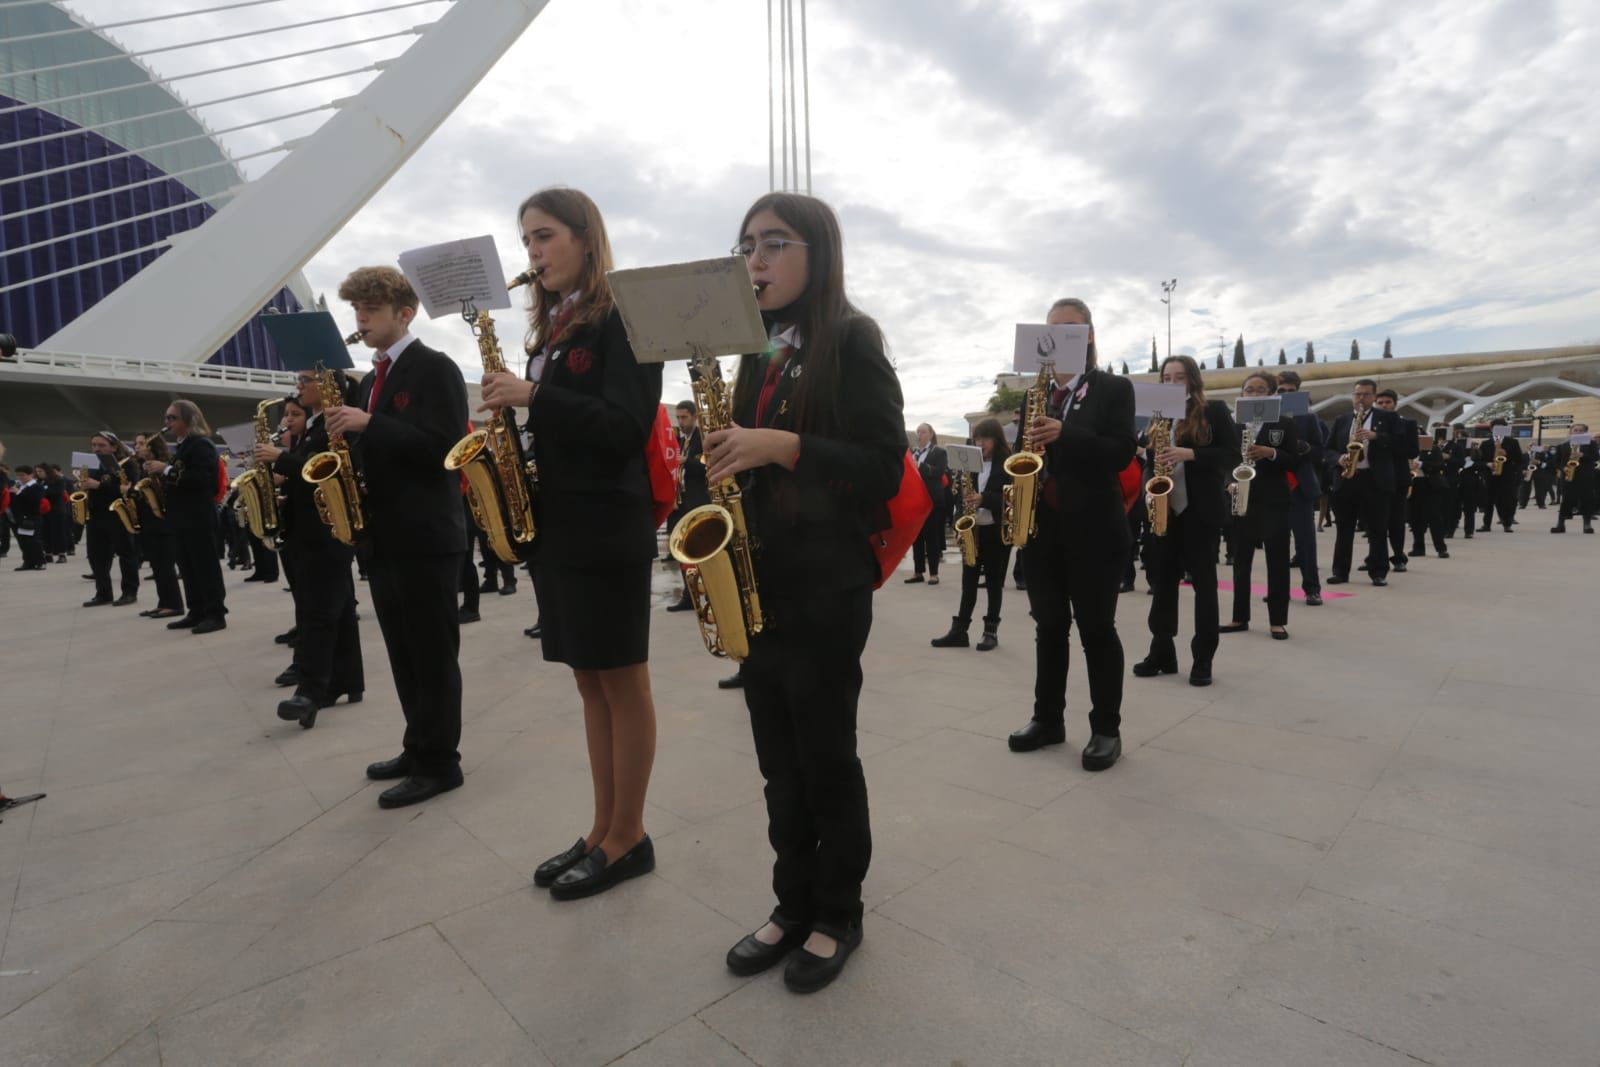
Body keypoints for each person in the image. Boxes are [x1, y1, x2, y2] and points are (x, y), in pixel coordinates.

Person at [700, 192, 904, 993]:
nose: (755, 260)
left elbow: (884, 466)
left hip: (826, 581)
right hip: (761, 580)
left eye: (774, 243)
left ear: (818, 252)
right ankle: (791, 902)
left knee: (824, 755)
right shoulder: (752, 351)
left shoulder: (854, 340)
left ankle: (838, 911)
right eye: (748, 244)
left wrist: (778, 445)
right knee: (776, 760)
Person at [478, 187, 664, 898]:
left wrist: (532, 399)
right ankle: (601, 826)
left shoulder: (626, 316)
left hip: (607, 523)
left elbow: (624, 425)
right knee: (589, 681)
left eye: (544, 236)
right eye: (526, 240)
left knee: (623, 680)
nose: (532, 253)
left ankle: (630, 834)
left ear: (587, 238)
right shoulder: (550, 329)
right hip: (561, 521)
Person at [326, 266, 470, 807]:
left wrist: (369, 426)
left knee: (432, 654)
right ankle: (418, 745)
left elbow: (445, 448)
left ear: (404, 314)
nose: (360, 320)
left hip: (427, 535)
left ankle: (441, 763)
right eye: (357, 310)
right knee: (402, 651)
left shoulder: (436, 368)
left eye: (370, 310)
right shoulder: (370, 380)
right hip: (385, 535)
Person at [1004, 299, 1136, 766]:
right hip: (1044, 531)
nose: (1059, 335)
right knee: (1049, 628)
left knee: (1097, 630)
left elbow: (1122, 452)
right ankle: (1048, 719)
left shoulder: (1114, 388)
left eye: (1070, 328)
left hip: (1096, 531)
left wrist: (1067, 433)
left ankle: (1106, 728)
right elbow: (1025, 457)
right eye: (1052, 328)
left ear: (1089, 336)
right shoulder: (1031, 394)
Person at [263, 387, 365, 728]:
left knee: (316, 613)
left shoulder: (332, 425)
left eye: (306, 379)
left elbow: (321, 468)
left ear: (325, 386)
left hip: (325, 530)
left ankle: (310, 691)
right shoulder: (314, 426)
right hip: (313, 529)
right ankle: (348, 681)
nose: (299, 384)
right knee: (338, 610)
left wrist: (279, 457)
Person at [1134, 355, 1236, 686]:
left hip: (1200, 510)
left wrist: (1190, 454)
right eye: (1167, 378)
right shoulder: (1156, 417)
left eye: (1179, 377)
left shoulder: (1214, 411)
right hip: (1164, 508)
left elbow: (1232, 455)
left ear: (1192, 380)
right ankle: (1162, 650)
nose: (1172, 383)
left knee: (1205, 585)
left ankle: (1203, 657)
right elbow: (1150, 459)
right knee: (1161, 583)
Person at [1221, 372, 1297, 640]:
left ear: (1272, 394)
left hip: (1274, 500)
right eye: (1249, 390)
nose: (1254, 394)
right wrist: (1229, 482)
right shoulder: (1233, 425)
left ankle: (1278, 620)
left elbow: (1295, 460)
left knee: (1277, 562)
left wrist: (1271, 453)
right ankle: (1239, 617)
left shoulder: (1284, 424)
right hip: (1242, 498)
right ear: (1241, 395)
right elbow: (1224, 460)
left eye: (1261, 389)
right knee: (1240, 561)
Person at [145, 400, 228, 632]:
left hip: (199, 516)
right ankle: (196, 611)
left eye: (172, 418)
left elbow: (202, 480)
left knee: (205, 567)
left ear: (189, 420)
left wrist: (166, 469)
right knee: (188, 567)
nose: (167, 422)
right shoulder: (182, 446)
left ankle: (215, 614)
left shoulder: (201, 445)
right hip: (182, 516)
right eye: (166, 417)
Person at [930, 417, 1011, 650]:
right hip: (972, 530)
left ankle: (990, 631)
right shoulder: (969, 463)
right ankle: (960, 630)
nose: (981, 443)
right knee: (969, 582)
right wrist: (958, 525)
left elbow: (1010, 497)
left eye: (985, 438)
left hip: (995, 531)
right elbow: (958, 498)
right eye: (977, 439)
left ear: (996, 439)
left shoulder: (1006, 462)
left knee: (994, 582)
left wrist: (984, 499)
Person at [1326, 379, 1400, 586]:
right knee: (1344, 528)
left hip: (1375, 480)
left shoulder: (1389, 418)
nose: (1361, 398)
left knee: (1377, 528)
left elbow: (1402, 445)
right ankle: (1340, 572)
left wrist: (1377, 436)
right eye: (1357, 394)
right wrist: (1338, 459)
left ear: (1374, 397)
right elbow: (1328, 449)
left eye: (1366, 394)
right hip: (1347, 478)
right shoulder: (1342, 420)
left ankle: (1378, 572)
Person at [1274, 370, 1326, 604]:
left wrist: (1303, 446)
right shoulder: (1265, 415)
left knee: (1305, 541)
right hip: (1273, 485)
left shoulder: (1308, 417)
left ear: (1298, 391)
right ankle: (1278, 590)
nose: (1285, 394)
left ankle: (1312, 589)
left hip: (1300, 487)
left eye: (1290, 391)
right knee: (1276, 542)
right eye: (1281, 390)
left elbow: (1320, 451)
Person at [80, 431, 141, 607]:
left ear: (114, 446)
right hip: (96, 513)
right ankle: (103, 593)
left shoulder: (127, 464)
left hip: (118, 513)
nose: (96, 449)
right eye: (94, 445)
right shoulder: (91, 464)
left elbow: (128, 490)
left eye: (101, 445)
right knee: (96, 556)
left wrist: (98, 485)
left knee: (126, 553)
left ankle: (129, 592)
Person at [132, 435, 185, 618]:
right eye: (136, 443)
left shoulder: (163, 464)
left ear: (152, 446)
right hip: (149, 521)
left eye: (141, 443)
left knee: (165, 565)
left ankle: (175, 605)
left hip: (164, 522)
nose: (136, 447)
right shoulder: (143, 467)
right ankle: (164, 602)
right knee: (157, 566)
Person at [666, 398, 709, 613]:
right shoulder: (683, 439)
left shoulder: (701, 439)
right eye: (678, 417)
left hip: (698, 501)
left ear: (694, 417)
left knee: (698, 551)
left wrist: (687, 461)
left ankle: (699, 594)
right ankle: (689, 595)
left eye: (684, 417)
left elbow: (706, 466)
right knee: (682, 551)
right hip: (683, 502)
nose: (681, 421)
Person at [1372, 390, 1419, 573]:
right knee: (1375, 522)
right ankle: (1375, 557)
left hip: (1398, 478)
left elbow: (1412, 451)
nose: (1384, 405)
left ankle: (1399, 557)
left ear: (1395, 404)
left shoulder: (1407, 424)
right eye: (1380, 402)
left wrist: (1387, 442)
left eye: (1388, 402)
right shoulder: (1371, 425)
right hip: (1375, 478)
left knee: (1396, 521)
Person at [906, 422, 948, 585]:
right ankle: (918, 572)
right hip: (917, 501)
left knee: (932, 538)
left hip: (932, 500)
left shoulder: (939, 451)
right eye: (917, 432)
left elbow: (938, 472)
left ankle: (934, 574)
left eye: (923, 432)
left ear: (930, 434)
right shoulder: (915, 452)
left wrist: (921, 466)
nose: (919, 435)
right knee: (917, 538)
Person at [1550, 424, 1597, 534]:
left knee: (1586, 500)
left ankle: (1587, 524)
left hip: (1585, 477)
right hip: (1569, 476)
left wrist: (1582, 455)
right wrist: (1563, 468)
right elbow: (1556, 462)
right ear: (1571, 432)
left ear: (1585, 433)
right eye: (1575, 430)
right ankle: (1560, 524)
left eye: (1581, 430)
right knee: (1566, 501)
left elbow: (1596, 457)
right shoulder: (1563, 446)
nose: (1578, 432)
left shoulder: (1591, 444)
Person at [1477, 419, 1522, 532]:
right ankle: (1486, 525)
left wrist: (1507, 454)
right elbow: (1479, 461)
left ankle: (1507, 524)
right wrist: (1488, 464)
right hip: (1490, 475)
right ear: (1491, 429)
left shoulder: (1513, 442)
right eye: (1496, 428)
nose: (1498, 430)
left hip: (1506, 476)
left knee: (1505, 500)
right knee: (1488, 501)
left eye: (1502, 428)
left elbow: (1519, 460)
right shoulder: (1485, 444)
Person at [9, 466, 46, 571]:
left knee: (34, 541)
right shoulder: (20, 486)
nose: (20, 477)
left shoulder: (37, 487)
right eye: (18, 475)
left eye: (23, 475)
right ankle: (28, 562)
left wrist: (19, 493)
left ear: (31, 475)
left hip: (33, 517)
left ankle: (41, 562)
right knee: (23, 541)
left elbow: (35, 500)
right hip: (20, 518)